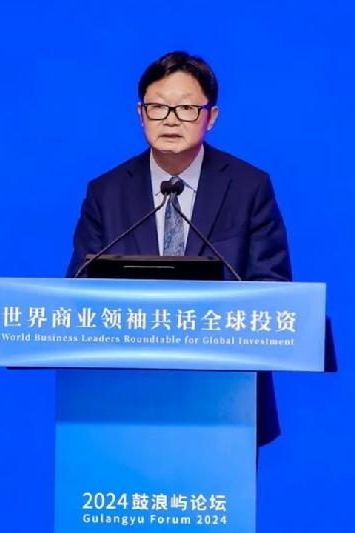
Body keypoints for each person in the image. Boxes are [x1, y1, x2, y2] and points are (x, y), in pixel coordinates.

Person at [66, 51, 293, 446]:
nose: (171, 119)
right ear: (141, 114)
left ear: (211, 116)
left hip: (227, 401)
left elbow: (271, 289)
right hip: (122, 401)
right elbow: (79, 290)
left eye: (186, 108)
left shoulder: (248, 188)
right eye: (158, 107)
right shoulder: (106, 192)